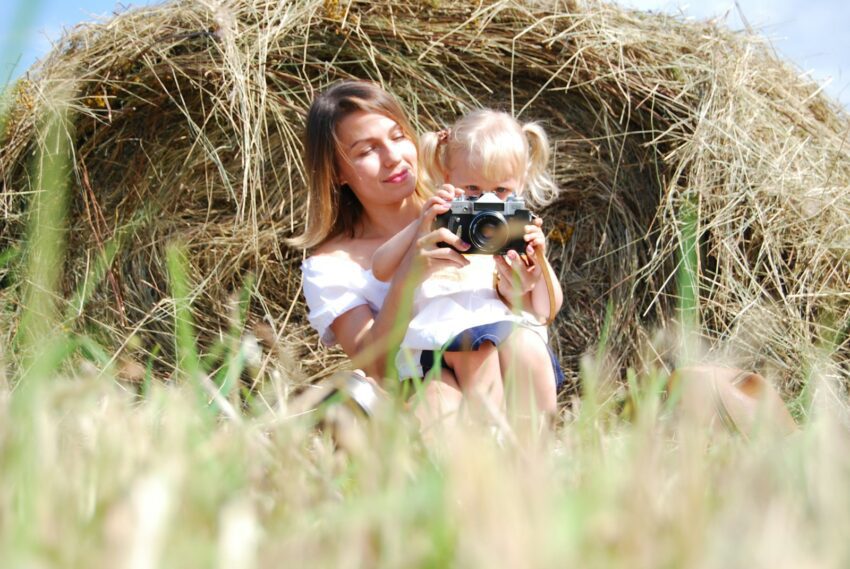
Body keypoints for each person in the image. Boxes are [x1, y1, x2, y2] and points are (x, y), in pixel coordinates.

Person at [290, 80, 561, 431]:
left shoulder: (469, 196)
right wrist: (409, 273)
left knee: (522, 346)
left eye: (398, 136)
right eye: (366, 151)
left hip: (511, 361)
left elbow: (538, 307)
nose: (393, 158)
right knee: (437, 394)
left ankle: (536, 464)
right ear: (337, 172)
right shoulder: (330, 266)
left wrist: (522, 281)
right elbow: (377, 362)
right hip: (421, 375)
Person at [370, 109, 564, 416]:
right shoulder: (437, 220)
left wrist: (537, 261)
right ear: (449, 177)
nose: (486, 201)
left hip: (504, 332)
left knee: (529, 348)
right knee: (476, 352)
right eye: (472, 189)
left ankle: (541, 444)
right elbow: (380, 268)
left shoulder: (515, 228)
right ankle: (494, 443)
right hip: (442, 337)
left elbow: (545, 309)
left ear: (520, 183)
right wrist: (421, 224)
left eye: (500, 190)